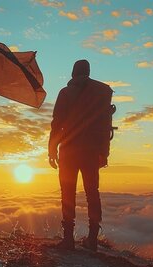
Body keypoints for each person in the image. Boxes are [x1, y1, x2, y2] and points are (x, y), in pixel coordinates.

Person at [48, 59, 113, 251]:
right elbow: (104, 126)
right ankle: (92, 239)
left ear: (73, 72)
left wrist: (52, 150)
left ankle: (68, 239)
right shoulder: (101, 93)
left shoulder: (65, 93)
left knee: (67, 193)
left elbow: (56, 123)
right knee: (92, 193)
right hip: (92, 152)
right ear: (89, 71)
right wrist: (104, 153)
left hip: (68, 150)